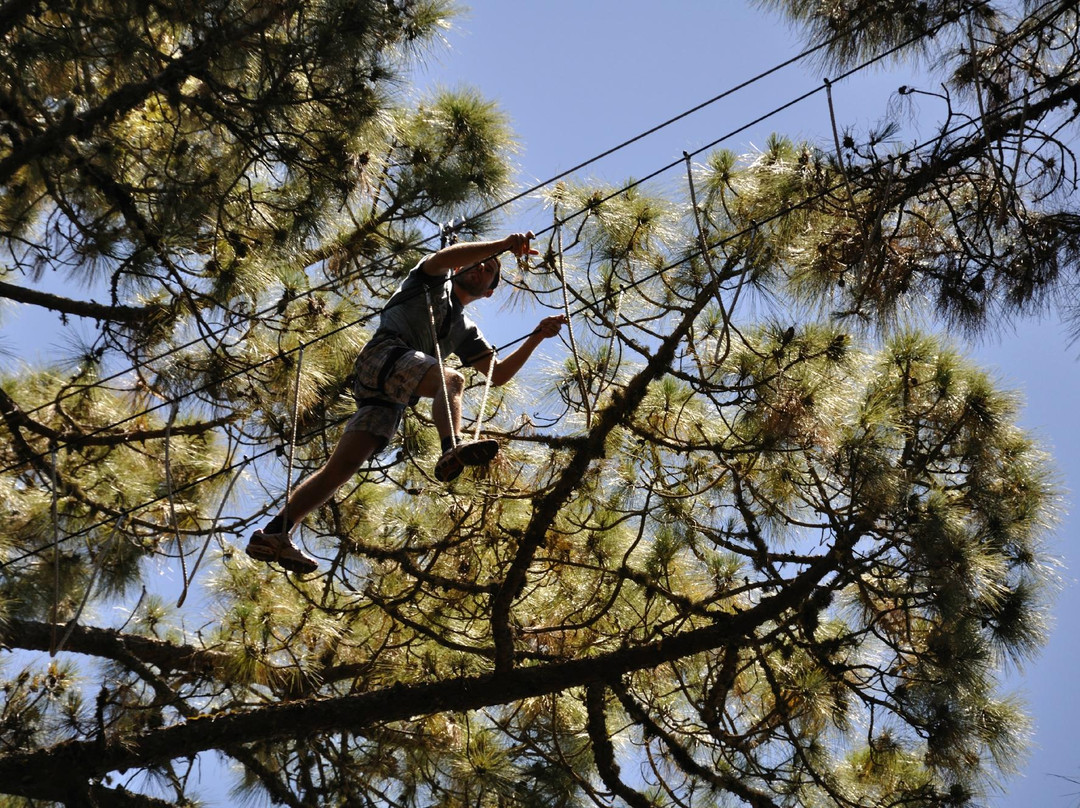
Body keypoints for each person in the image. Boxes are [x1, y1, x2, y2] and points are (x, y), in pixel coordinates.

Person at [246, 231, 567, 573]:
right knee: (452, 379)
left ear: (489, 292)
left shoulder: (465, 329)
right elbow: (444, 257)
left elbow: (497, 374)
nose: (481, 269)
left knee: (341, 470)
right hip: (384, 355)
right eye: (477, 263)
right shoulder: (429, 279)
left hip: (391, 393)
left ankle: (275, 532)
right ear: (461, 264)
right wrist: (502, 245)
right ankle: (451, 447)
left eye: (488, 271)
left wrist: (536, 337)